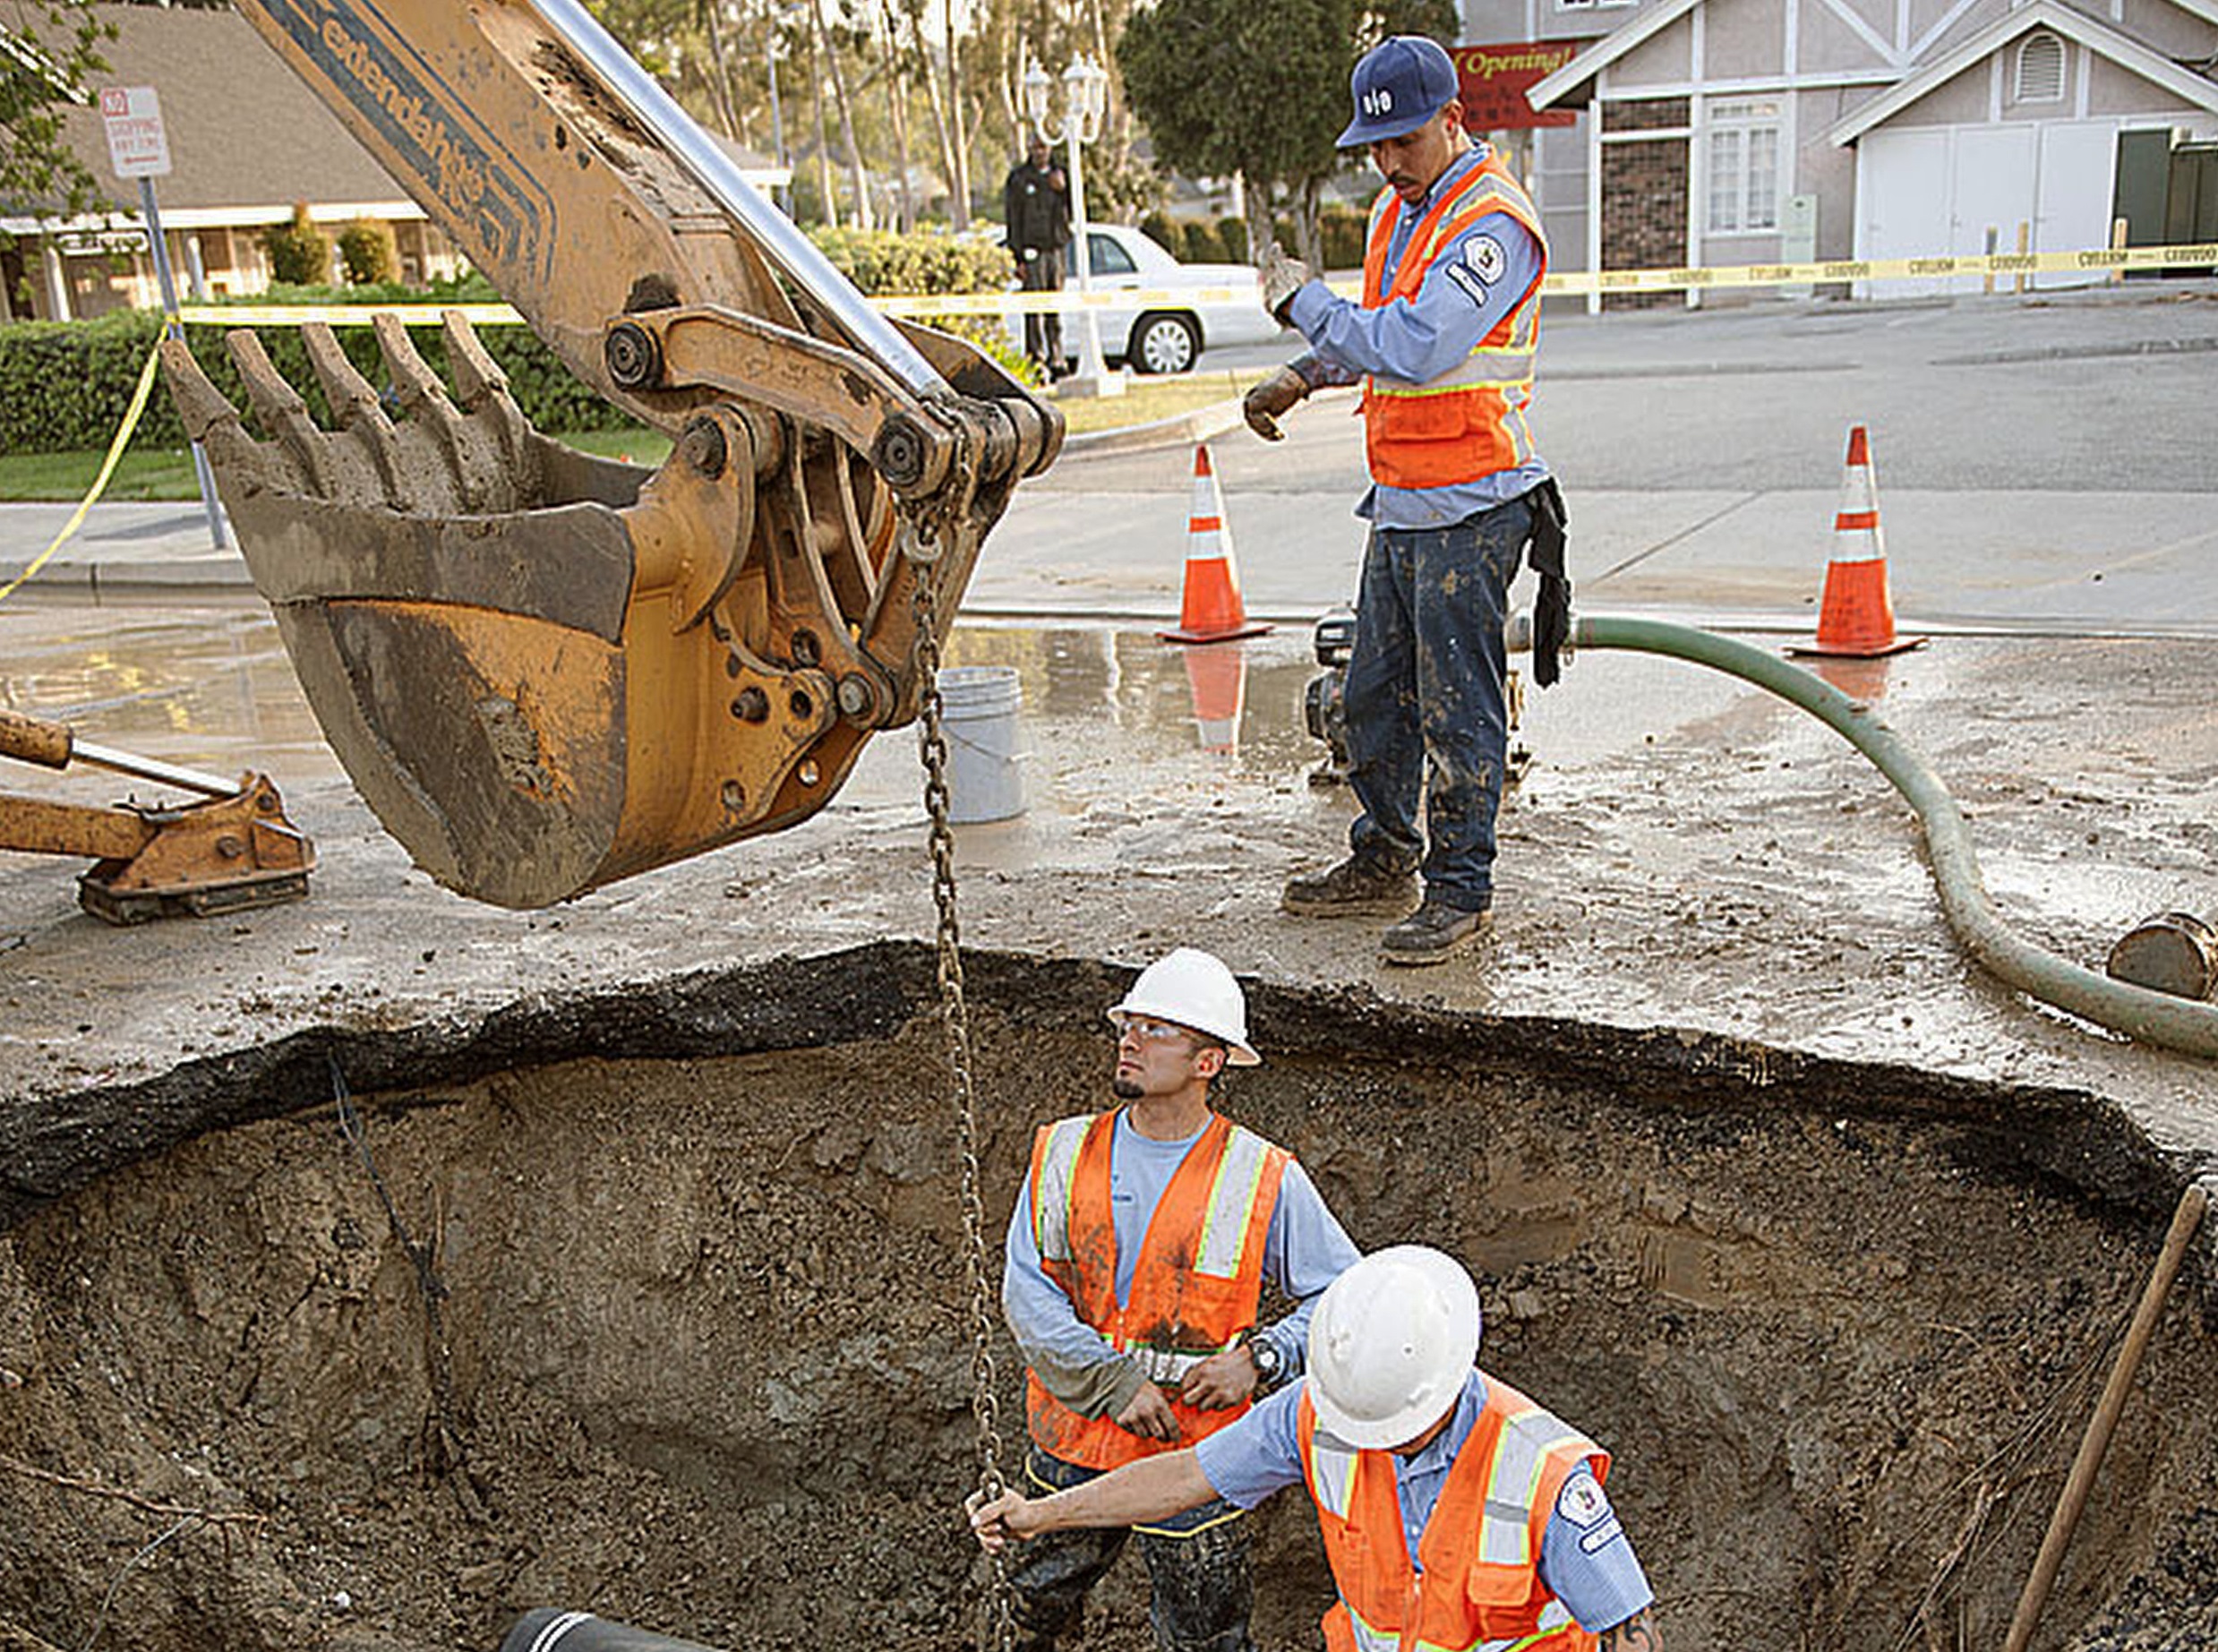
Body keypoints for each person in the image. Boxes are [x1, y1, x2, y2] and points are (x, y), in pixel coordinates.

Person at [1242, 36, 1571, 968]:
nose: (1387, 162)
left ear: (1452, 120)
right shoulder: (1399, 212)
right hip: (1399, 500)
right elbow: (1374, 334)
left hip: (1473, 505)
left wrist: (1303, 305)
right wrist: (1302, 373)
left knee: (1455, 708)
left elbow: (1420, 344)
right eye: (1375, 147)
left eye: (1404, 141)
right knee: (1372, 697)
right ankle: (1384, 854)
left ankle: (1461, 891)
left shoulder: (1491, 223)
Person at [974, 1245, 1661, 1652]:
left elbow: (1629, 1627)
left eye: (1389, 1427)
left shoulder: (1540, 1471)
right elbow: (1185, 1475)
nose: (1370, 1442)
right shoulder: (1319, 1410)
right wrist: (1040, 1514)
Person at [998, 946, 1362, 1652]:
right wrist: (1111, 1382)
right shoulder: (1063, 1152)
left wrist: (1260, 1359)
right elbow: (1028, 1289)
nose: (1129, 1040)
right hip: (1076, 1431)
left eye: (1155, 1028)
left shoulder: (1259, 1174)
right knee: (1033, 1601)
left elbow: (1344, 1294)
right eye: (1128, 1024)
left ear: (1209, 1061)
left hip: (1196, 1453)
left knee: (1204, 1631)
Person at [1005, 136, 1073, 374]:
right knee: (1034, 309)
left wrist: (1064, 190)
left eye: (1043, 147)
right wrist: (1018, 258)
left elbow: (1076, 209)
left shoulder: (1061, 176)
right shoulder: (1019, 179)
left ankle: (1057, 358)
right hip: (1031, 250)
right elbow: (1013, 219)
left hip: (1055, 249)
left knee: (1054, 307)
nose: (1040, 152)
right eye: (1035, 147)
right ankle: (1036, 360)